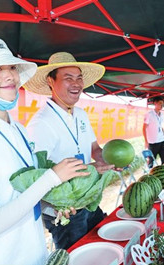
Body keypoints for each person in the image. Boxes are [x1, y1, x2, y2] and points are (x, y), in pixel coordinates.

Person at [0, 36, 89, 265]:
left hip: (33, 256)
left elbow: (19, 195)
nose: (10, 75)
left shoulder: (18, 129)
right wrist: (52, 178)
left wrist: (52, 206)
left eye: (11, 66)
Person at [23, 52, 114, 250]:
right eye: (68, 78)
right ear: (50, 81)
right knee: (76, 256)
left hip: (87, 200)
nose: (76, 84)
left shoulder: (80, 114)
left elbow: (95, 149)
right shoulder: (40, 124)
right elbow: (37, 176)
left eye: (79, 78)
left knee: (104, 245)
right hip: (64, 211)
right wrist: (90, 169)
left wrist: (110, 159)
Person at [143, 96, 164, 167]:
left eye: (162, 104)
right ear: (155, 103)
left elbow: (160, 126)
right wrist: (146, 141)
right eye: (160, 103)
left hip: (162, 140)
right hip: (153, 142)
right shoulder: (149, 114)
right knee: (151, 161)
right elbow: (144, 128)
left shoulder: (162, 115)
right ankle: (149, 175)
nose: (161, 106)